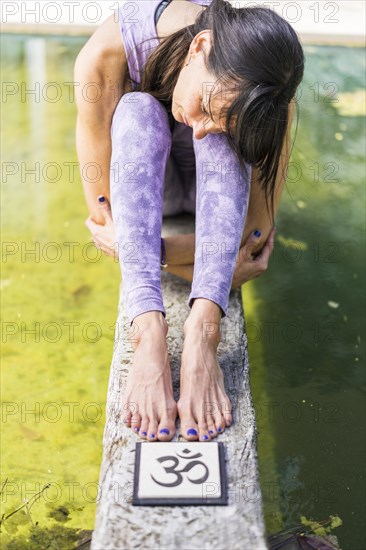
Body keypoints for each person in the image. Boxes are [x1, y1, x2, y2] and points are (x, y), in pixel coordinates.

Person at [74, 0, 304, 443]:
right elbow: (107, 222)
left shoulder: (268, 88)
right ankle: (148, 331)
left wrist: (148, 252)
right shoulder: (107, 56)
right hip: (150, 194)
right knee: (138, 108)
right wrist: (210, 265)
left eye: (223, 119)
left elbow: (251, 239)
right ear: (200, 45)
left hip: (212, 200)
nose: (199, 127)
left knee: (221, 145)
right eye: (204, 104)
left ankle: (203, 333)